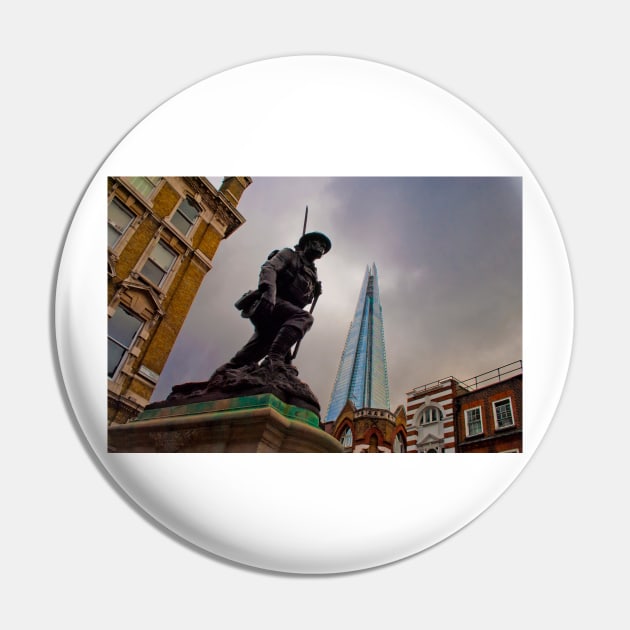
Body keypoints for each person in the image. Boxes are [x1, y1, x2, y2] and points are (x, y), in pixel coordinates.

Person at [215, 231, 331, 374]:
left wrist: (314, 293)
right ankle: (273, 359)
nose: (321, 247)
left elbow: (300, 299)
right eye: (318, 242)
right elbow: (269, 268)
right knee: (304, 318)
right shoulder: (290, 255)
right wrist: (269, 292)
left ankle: (219, 377)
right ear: (307, 243)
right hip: (270, 303)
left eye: (324, 246)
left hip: (284, 315)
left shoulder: (313, 273)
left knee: (247, 356)